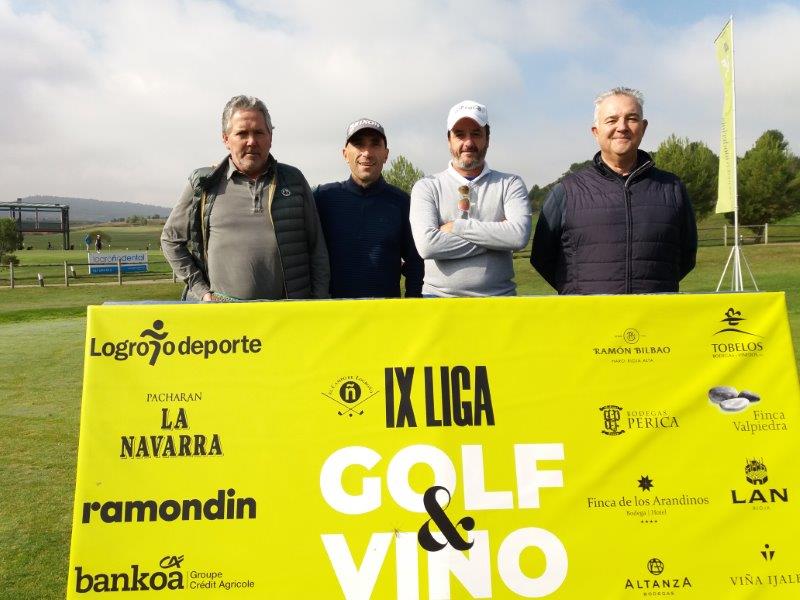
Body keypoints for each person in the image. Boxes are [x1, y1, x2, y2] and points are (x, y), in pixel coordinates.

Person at [161, 95, 329, 301]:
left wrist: (317, 304)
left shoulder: (294, 180)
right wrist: (201, 291)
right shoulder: (204, 184)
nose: (252, 141)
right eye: (242, 133)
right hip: (225, 320)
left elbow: (317, 251)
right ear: (226, 139)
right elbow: (170, 240)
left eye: (259, 132)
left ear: (270, 137)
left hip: (287, 316)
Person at [530, 87, 697, 294]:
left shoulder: (672, 189)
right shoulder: (566, 191)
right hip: (589, 320)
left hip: (654, 319)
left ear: (643, 127)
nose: (622, 127)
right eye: (612, 120)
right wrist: (577, 289)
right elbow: (542, 258)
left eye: (631, 118)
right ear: (596, 131)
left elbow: (687, 257)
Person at [409, 101, 531, 297]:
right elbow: (427, 246)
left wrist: (457, 227)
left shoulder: (510, 183)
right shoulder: (426, 186)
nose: (468, 143)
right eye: (459, 135)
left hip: (500, 303)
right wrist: (497, 239)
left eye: (476, 133)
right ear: (449, 140)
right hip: (439, 303)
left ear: (487, 139)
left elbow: (517, 236)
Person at [314, 118, 423, 298]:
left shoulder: (402, 203)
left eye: (375, 145)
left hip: (385, 317)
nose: (367, 153)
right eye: (358, 145)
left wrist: (411, 306)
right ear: (344, 153)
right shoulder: (322, 198)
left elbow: (416, 263)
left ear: (386, 154)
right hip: (332, 316)